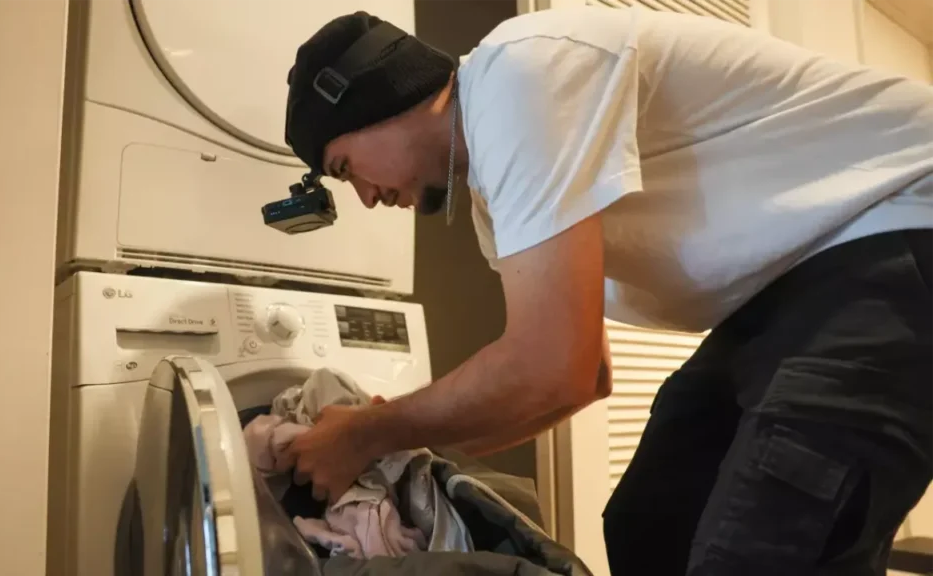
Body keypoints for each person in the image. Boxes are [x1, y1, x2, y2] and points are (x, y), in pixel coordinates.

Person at [281, 5, 933, 575]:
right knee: (651, 525)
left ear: (381, 99)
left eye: (346, 168)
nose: (366, 197)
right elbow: (585, 375)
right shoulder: (493, 202)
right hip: (790, 289)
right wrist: (393, 444)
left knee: (763, 552)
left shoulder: (518, 72)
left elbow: (550, 369)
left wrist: (366, 434)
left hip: (899, 229)